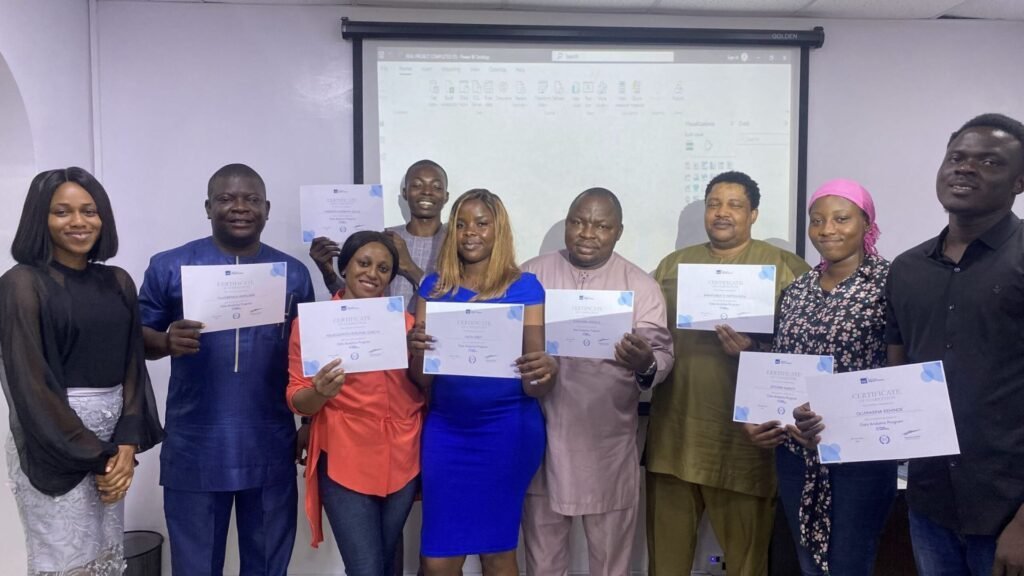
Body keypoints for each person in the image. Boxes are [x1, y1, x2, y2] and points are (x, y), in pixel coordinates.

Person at [138, 163, 314, 576]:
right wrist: (165, 342)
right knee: (195, 566)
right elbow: (135, 337)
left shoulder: (293, 274)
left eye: (251, 199)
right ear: (207, 206)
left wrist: (308, 420)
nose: (239, 207)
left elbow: (307, 355)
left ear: (267, 208)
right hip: (196, 444)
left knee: (268, 565)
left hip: (268, 442)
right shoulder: (170, 266)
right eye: (226, 198)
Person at [0, 167, 163, 575]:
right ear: (41, 218)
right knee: (66, 560)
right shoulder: (21, 283)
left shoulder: (117, 281)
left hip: (112, 446)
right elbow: (30, 384)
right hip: (53, 442)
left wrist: (125, 445)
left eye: (89, 211)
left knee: (106, 556)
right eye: (62, 212)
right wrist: (103, 455)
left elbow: (132, 367)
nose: (78, 222)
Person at [646, 171, 810, 576]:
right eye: (714, 204)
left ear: (753, 214)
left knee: (748, 563)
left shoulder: (788, 270)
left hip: (745, 445)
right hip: (676, 437)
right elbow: (648, 337)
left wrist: (754, 350)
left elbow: (806, 354)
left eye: (734, 205)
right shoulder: (672, 267)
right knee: (665, 562)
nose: (722, 213)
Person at [884, 113, 1024, 576]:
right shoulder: (906, 269)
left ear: (1019, 182)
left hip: (1009, 511)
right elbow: (898, 379)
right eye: (956, 157)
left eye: (989, 161)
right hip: (930, 505)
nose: (965, 168)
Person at [519, 188, 674, 576]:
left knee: (611, 562)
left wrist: (645, 362)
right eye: (578, 222)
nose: (587, 233)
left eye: (601, 225)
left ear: (618, 231)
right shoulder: (531, 274)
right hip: (544, 438)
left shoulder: (640, 285)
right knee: (544, 561)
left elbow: (662, 355)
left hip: (607, 442)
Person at [408, 189, 558, 576]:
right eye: (460, 224)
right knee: (437, 560)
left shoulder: (526, 288)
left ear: (498, 230)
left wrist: (546, 370)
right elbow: (421, 379)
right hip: (448, 431)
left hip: (508, 430)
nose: (470, 232)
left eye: (481, 223)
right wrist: (416, 350)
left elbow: (534, 386)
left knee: (497, 552)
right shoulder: (433, 287)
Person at [764, 179, 895, 576]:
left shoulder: (889, 284)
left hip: (858, 452)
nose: (827, 230)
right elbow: (782, 364)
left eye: (841, 219)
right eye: (817, 220)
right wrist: (767, 419)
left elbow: (899, 368)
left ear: (866, 224)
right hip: (796, 451)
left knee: (848, 563)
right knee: (808, 561)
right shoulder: (797, 289)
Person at [287, 231, 425, 576]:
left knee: (388, 560)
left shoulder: (407, 326)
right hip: (346, 459)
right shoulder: (313, 326)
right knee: (366, 569)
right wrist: (320, 392)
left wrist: (420, 355)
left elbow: (425, 388)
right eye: (364, 263)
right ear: (345, 266)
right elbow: (297, 399)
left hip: (403, 458)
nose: (372, 274)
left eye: (383, 268)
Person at [309, 160, 449, 309]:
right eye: (417, 185)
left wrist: (409, 266)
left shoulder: (455, 243)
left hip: (433, 331)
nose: (427, 191)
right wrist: (328, 273)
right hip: (384, 329)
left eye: (436, 187)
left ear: (446, 196)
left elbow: (455, 301)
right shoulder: (384, 239)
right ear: (404, 192)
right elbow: (356, 298)